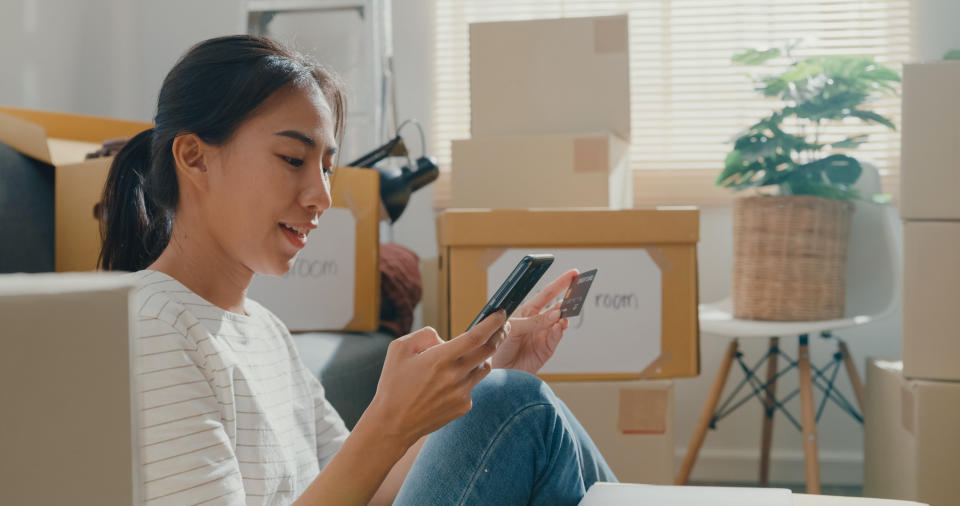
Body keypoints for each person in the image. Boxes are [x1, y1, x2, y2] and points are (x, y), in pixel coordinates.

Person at [99, 35, 614, 505]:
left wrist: (481, 378)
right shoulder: (154, 328)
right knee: (515, 407)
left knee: (508, 401)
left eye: (326, 166)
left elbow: (368, 491)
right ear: (195, 158)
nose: (322, 195)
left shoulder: (268, 332)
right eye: (293, 159)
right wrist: (390, 419)